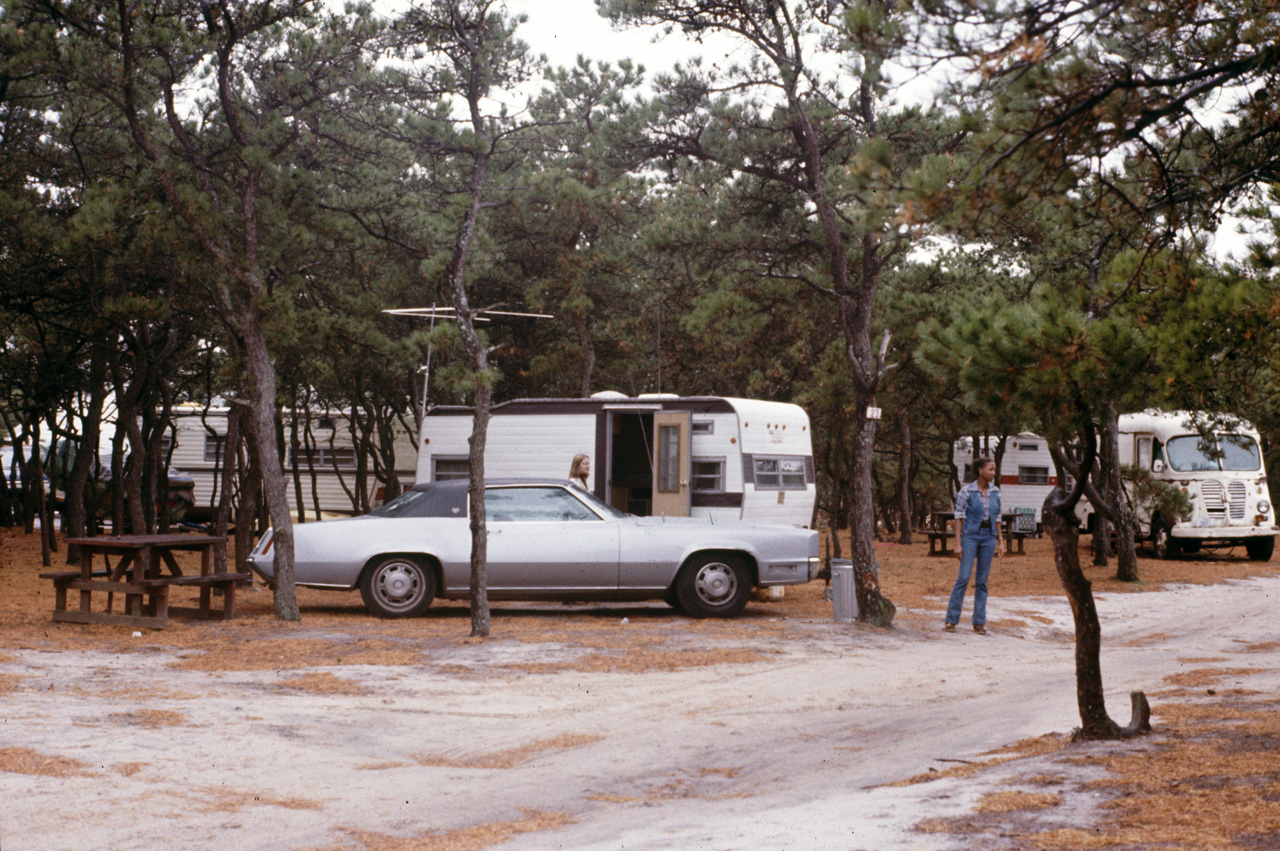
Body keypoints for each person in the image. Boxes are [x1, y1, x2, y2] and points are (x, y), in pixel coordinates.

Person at [945, 455, 1002, 635]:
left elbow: (998, 518)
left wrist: (1001, 541)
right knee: (963, 577)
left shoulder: (996, 492)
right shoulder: (967, 492)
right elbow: (959, 518)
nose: (994, 472)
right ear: (980, 471)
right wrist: (958, 543)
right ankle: (951, 620)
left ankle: (979, 622)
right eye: (990, 469)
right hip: (970, 536)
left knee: (982, 581)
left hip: (989, 537)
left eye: (994, 469)